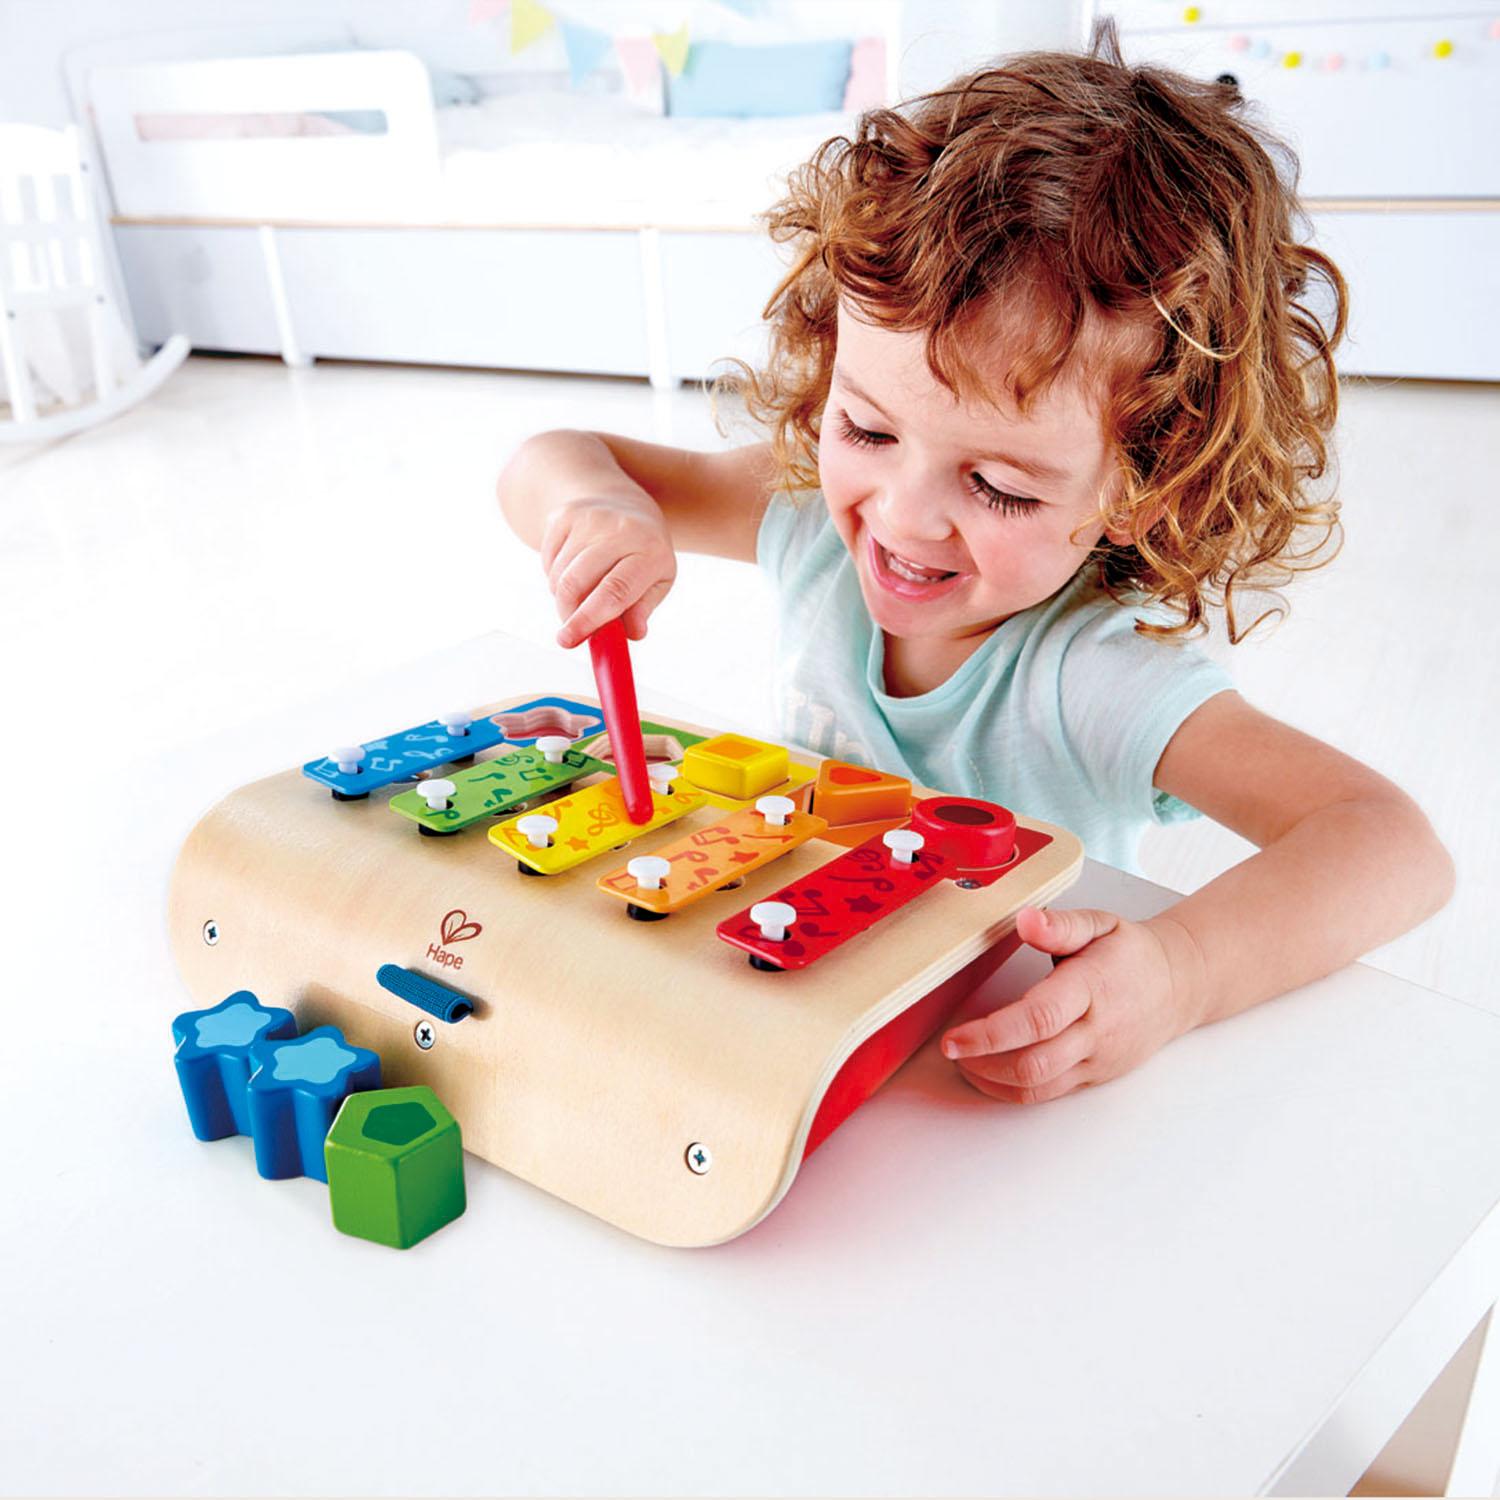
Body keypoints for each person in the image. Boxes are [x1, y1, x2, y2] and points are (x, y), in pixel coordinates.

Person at [497, 23, 1453, 1105]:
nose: (903, 517)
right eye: (866, 428)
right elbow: (551, 458)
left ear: (1145, 488)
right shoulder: (810, 514)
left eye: (998, 487)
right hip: (781, 1016)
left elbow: (1391, 845)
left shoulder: (1094, 679)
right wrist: (593, 507)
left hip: (968, 1069)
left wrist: (1181, 971)